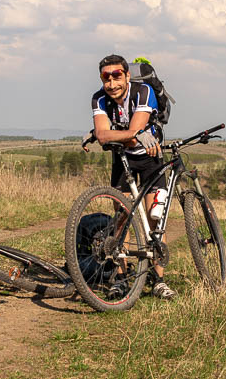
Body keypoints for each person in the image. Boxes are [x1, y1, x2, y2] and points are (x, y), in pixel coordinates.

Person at [91, 54, 176, 300]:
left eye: (117, 76)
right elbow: (103, 135)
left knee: (154, 218)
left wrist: (124, 134)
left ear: (127, 76)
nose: (112, 83)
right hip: (123, 159)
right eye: (106, 77)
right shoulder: (99, 98)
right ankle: (121, 278)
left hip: (150, 157)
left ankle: (158, 279)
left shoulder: (143, 92)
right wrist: (130, 135)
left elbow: (125, 132)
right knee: (121, 219)